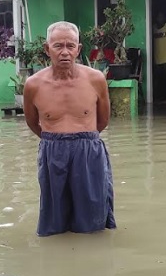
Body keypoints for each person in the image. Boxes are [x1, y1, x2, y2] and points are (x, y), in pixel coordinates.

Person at [23, 21, 116, 237]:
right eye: (58, 46)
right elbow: (32, 122)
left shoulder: (96, 79)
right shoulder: (33, 84)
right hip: (52, 151)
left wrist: (82, 140)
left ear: (78, 49)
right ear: (47, 49)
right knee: (54, 221)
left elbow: (103, 120)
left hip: (88, 151)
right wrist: (55, 139)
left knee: (92, 221)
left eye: (70, 46)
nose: (65, 52)